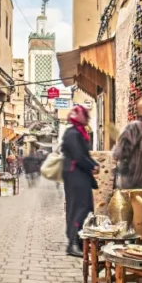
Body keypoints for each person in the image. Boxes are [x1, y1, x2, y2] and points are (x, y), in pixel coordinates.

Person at [62, 105, 99, 258]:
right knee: (79, 207)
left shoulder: (77, 132)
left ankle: (79, 240)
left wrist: (93, 164)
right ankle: (73, 243)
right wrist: (92, 165)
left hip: (79, 175)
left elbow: (84, 154)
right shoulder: (72, 133)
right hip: (75, 175)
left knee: (85, 206)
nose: (88, 118)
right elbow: (78, 156)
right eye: (86, 115)